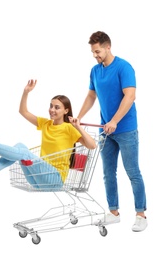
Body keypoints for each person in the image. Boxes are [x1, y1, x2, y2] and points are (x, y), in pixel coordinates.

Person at [0, 79, 97, 190]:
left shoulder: (69, 128)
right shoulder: (46, 124)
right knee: (20, 146)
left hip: (55, 179)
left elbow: (92, 146)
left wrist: (78, 127)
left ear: (65, 111)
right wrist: (26, 92)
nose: (52, 110)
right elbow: (23, 111)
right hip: (38, 178)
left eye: (57, 107)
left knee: (24, 153)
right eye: (51, 106)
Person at [77, 31, 147, 232]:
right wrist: (79, 117)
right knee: (108, 173)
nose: (95, 55)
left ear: (108, 47)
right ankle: (114, 212)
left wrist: (115, 121)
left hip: (126, 130)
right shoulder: (95, 70)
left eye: (97, 51)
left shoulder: (124, 67)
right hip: (106, 131)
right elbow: (91, 96)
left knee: (133, 172)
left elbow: (130, 96)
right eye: (92, 52)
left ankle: (141, 214)